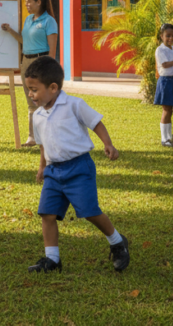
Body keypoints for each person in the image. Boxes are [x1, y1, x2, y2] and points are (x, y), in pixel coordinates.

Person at [23, 56, 129, 273]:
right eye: (28, 90)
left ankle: (117, 242)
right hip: (53, 171)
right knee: (47, 214)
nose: (30, 94)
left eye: (34, 89)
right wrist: (42, 166)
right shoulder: (38, 116)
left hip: (79, 168)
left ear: (53, 87)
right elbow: (43, 144)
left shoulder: (73, 104)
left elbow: (95, 123)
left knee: (90, 212)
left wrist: (108, 144)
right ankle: (52, 259)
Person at [0, 0, 59, 147]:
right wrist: (10, 31)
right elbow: (24, 40)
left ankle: (49, 136)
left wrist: (49, 68)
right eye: (26, 2)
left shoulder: (49, 21)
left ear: (39, 2)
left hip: (41, 61)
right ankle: (32, 137)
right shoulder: (28, 20)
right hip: (26, 62)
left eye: (29, 2)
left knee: (44, 99)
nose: (26, 5)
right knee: (31, 99)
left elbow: (52, 49)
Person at [153, 24, 173, 148]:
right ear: (161, 36)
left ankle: (169, 137)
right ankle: (164, 139)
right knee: (166, 110)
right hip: (165, 81)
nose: (170, 38)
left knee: (171, 110)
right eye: (167, 36)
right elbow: (164, 65)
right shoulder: (160, 50)